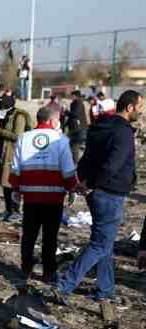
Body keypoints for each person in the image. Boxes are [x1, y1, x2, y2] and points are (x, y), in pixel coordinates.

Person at [50, 90, 143, 307]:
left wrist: (82, 182)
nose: (141, 111)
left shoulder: (99, 126)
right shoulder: (123, 132)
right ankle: (64, 284)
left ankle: (105, 290)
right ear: (129, 108)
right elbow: (114, 164)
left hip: (96, 190)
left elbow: (86, 158)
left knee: (105, 243)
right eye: (140, 107)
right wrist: (89, 184)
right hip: (108, 192)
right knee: (100, 244)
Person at [10, 106, 76, 283]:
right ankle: (49, 272)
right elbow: (68, 170)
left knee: (29, 235)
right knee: (50, 237)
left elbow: (15, 167)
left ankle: (25, 269)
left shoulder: (24, 138)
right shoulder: (61, 140)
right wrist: (71, 189)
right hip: (54, 198)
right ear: (52, 120)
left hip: (31, 197)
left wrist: (16, 189)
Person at [0, 95, 32, 221]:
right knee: (5, 184)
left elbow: (18, 136)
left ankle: (16, 211)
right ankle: (8, 210)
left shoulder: (18, 116)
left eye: (2, 106)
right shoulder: (5, 115)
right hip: (4, 153)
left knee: (13, 184)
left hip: (14, 154)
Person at [65, 90, 89, 164]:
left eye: (72, 96)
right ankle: (75, 162)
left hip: (78, 129)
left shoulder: (78, 103)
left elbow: (75, 114)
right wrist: (65, 124)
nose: (71, 97)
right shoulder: (75, 103)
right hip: (75, 128)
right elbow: (72, 117)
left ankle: (76, 163)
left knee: (75, 146)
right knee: (74, 146)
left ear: (75, 96)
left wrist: (66, 112)